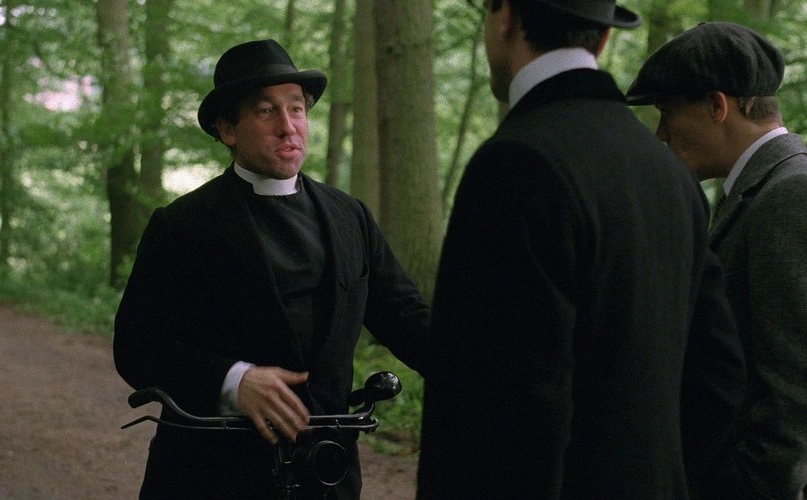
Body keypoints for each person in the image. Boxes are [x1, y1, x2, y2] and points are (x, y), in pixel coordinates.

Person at [415, 1, 746, 498]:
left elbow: (499, 421)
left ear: (505, 18)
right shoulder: (668, 174)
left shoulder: (515, 164)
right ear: (603, 37)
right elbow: (718, 378)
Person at [113, 39, 431, 499]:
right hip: (209, 475)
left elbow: (406, 319)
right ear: (228, 130)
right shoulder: (183, 225)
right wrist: (234, 381)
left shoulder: (351, 217)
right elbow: (136, 346)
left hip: (326, 475)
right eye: (266, 111)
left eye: (296, 109)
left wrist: (490, 373)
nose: (288, 126)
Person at [627, 21, 807, 499]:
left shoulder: (790, 193)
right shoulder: (757, 190)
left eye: (667, 114)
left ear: (716, 106)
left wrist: (747, 486)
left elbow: (795, 390)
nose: (661, 134)